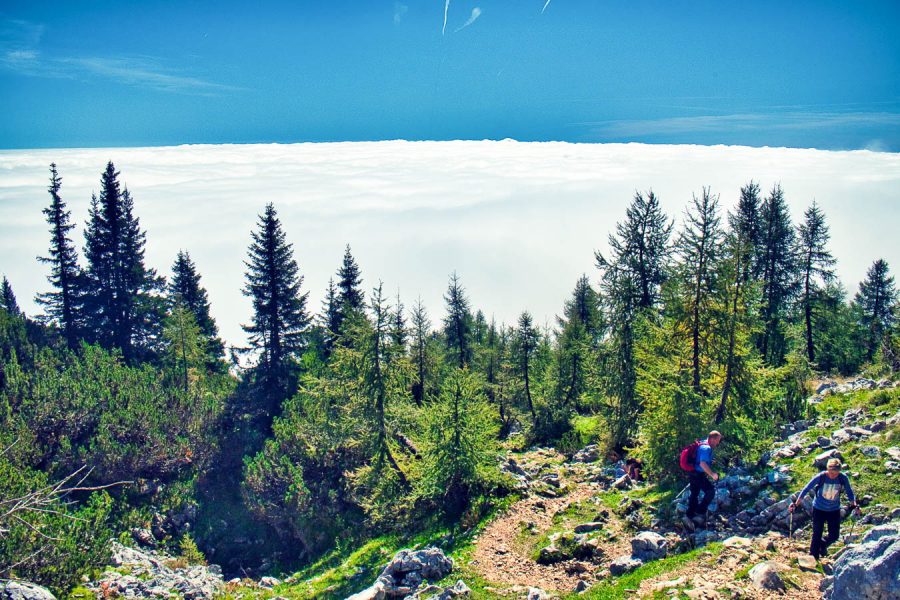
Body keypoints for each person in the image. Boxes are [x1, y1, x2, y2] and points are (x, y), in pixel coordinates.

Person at [790, 458, 860, 561]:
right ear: (827, 469)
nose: (833, 475)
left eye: (836, 473)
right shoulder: (821, 477)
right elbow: (806, 489)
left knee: (834, 535)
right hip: (819, 509)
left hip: (834, 510)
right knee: (817, 533)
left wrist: (854, 505)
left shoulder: (842, 478)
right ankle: (813, 557)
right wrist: (796, 504)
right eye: (831, 473)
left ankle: (822, 544)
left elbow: (849, 492)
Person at [683, 431, 722, 530]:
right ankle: (699, 512)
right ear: (712, 439)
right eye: (717, 441)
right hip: (698, 474)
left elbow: (701, 459)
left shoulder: (702, 443)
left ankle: (689, 514)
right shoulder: (706, 448)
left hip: (692, 472)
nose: (718, 443)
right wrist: (713, 474)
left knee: (694, 493)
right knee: (710, 492)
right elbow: (702, 464)